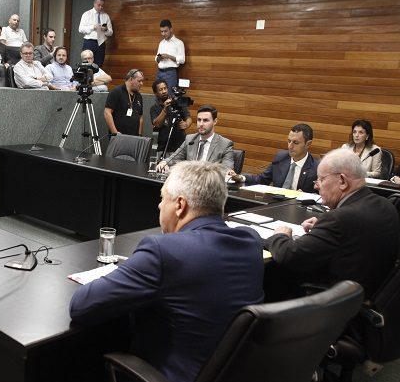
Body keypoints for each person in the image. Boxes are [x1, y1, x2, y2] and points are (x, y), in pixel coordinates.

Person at [70, 160, 264, 382]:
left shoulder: (163, 251)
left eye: (163, 198)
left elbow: (81, 306)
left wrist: (131, 270)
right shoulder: (250, 242)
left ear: (180, 205)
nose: (160, 206)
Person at [265, 148, 398, 299]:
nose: (316, 186)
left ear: (342, 181)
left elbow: (290, 255)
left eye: (321, 179)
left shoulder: (339, 219)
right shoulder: (386, 205)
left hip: (333, 304)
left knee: (272, 275)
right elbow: (353, 237)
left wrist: (280, 235)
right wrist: (324, 228)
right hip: (368, 293)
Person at [228, 123, 318, 192]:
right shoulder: (281, 158)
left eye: (295, 143)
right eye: (289, 141)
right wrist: (240, 177)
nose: (290, 146)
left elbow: (323, 196)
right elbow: (262, 179)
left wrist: (306, 196)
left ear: (308, 144)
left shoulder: (316, 168)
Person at [156, 105, 234, 173]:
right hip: (189, 183)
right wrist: (164, 162)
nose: (201, 124)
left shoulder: (225, 144)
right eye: (199, 120)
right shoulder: (190, 139)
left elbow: (227, 169)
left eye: (205, 120)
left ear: (215, 121)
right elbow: (174, 158)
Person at [150, 78, 191, 157]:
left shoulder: (177, 102)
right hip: (164, 147)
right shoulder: (154, 108)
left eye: (165, 88)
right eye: (160, 90)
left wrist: (186, 124)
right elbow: (157, 124)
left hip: (180, 146)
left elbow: (188, 118)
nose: (164, 91)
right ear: (155, 93)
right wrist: (165, 109)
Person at [104, 68, 144, 136]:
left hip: (134, 137)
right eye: (139, 81)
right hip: (119, 137)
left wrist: (139, 134)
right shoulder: (116, 92)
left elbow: (140, 117)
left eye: (142, 81)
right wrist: (115, 133)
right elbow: (107, 112)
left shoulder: (138, 96)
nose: (141, 83)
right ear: (131, 79)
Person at [78, 0, 112, 67]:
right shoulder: (87, 14)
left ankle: (97, 78)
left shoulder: (106, 16)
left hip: (101, 43)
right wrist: (93, 27)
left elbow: (110, 32)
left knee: (99, 64)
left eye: (102, 5)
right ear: (94, 3)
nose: (100, 7)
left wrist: (105, 30)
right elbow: (80, 29)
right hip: (89, 42)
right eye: (99, 5)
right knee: (87, 64)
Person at [155, 19, 185, 95]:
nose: (163, 34)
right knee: (158, 96)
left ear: (171, 29)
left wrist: (169, 56)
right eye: (161, 31)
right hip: (159, 72)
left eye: (165, 31)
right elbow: (156, 59)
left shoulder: (179, 43)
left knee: (170, 96)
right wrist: (159, 58)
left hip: (170, 73)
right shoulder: (161, 43)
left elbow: (182, 60)